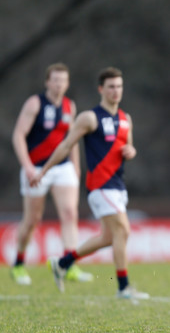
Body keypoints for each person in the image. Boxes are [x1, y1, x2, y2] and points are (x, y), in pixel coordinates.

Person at [31, 66, 149, 300]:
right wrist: (43, 170)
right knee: (123, 230)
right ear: (101, 89)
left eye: (119, 86)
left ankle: (62, 263)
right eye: (111, 87)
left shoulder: (126, 119)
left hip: (118, 186)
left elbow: (129, 147)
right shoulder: (89, 117)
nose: (116, 91)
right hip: (100, 185)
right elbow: (65, 146)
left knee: (108, 237)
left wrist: (131, 151)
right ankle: (123, 287)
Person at [11, 63, 92, 285]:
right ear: (48, 82)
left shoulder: (69, 106)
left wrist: (75, 165)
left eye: (63, 80)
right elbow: (18, 135)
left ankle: (68, 265)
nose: (59, 84)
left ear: (67, 83)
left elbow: (71, 140)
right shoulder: (35, 103)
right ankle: (18, 263)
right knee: (32, 220)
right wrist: (27, 166)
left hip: (62, 167)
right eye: (55, 80)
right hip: (36, 168)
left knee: (69, 214)